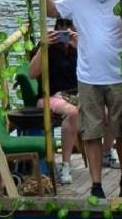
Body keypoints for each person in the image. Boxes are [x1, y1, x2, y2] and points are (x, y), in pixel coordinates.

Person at [35, 0, 122, 201]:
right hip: (88, 78)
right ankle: (96, 184)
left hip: (120, 76)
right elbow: (52, 10)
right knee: (91, 132)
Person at [26, 18, 81, 187]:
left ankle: (107, 153)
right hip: (50, 96)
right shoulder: (47, 48)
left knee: (108, 108)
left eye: (70, 29)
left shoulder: (80, 47)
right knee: (73, 113)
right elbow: (32, 73)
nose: (65, 34)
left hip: (77, 95)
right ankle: (66, 164)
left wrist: (79, 47)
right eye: (62, 30)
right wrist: (44, 46)